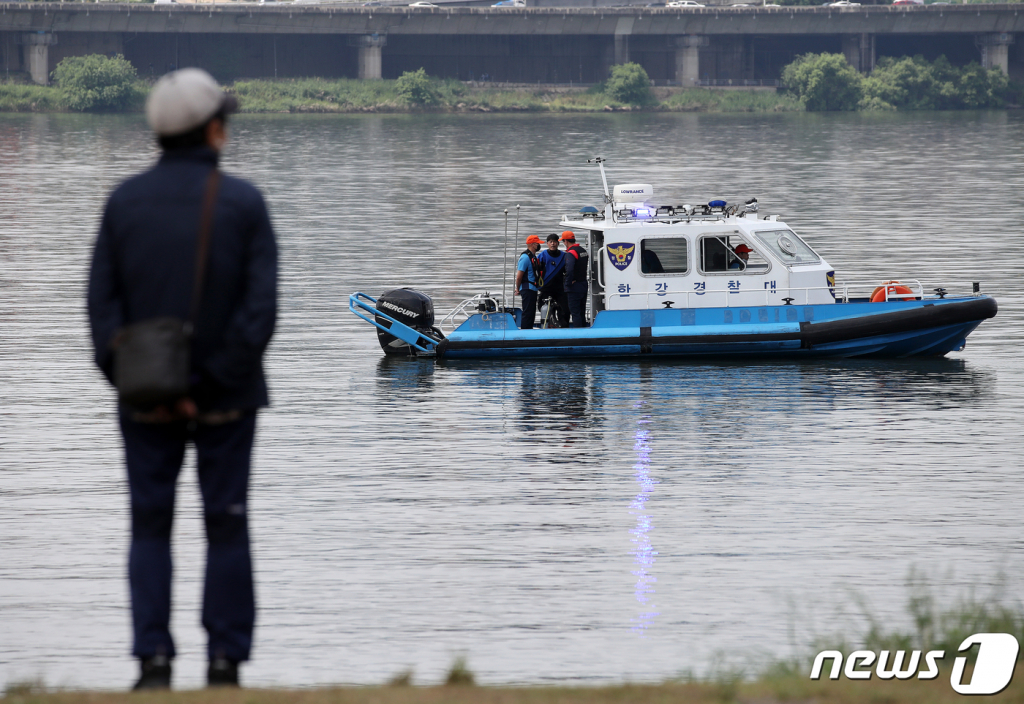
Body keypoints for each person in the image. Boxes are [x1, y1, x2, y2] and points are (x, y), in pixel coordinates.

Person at [87, 68, 278, 691]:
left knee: (150, 523)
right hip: (228, 397)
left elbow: (100, 308)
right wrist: (214, 378)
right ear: (213, 130)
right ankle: (224, 660)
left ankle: (153, 661)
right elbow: (260, 312)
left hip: (144, 393)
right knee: (226, 521)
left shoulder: (123, 203)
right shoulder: (244, 204)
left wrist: (133, 377)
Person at [537, 233, 569, 328]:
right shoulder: (542, 256)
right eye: (550, 242)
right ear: (547, 243)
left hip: (560, 289)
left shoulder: (564, 256)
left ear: (558, 243)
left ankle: (564, 328)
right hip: (546, 288)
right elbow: (536, 272)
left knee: (564, 310)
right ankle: (547, 327)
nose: (553, 244)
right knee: (544, 309)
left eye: (554, 242)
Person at [515, 234, 544, 329]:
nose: (539, 245)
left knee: (532, 313)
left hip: (533, 289)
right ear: (532, 244)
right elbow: (519, 276)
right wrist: (517, 288)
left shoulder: (533, 257)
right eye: (537, 243)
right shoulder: (525, 257)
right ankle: (525, 332)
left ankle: (529, 329)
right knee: (528, 312)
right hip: (527, 289)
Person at [561, 231, 589, 327]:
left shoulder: (571, 253)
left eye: (563, 241)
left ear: (565, 241)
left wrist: (567, 284)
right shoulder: (583, 251)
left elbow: (569, 270)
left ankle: (578, 335)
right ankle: (585, 333)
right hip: (583, 284)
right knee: (582, 312)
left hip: (574, 287)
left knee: (575, 313)